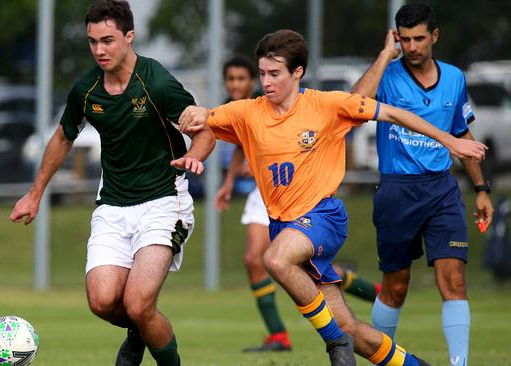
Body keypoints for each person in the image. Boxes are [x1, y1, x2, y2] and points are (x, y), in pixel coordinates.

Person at [178, 29, 486, 365]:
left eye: (275, 74)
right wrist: (196, 116)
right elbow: (207, 119)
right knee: (350, 327)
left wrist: (452, 142)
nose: (266, 82)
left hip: (323, 217)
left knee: (275, 260)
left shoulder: (327, 104)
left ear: (297, 72)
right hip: (284, 225)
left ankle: (334, 344)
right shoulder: (247, 111)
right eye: (263, 73)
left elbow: (395, 114)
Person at [9, 1, 215, 366]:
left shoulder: (156, 82)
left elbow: (206, 130)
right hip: (113, 205)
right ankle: (140, 327)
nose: (99, 50)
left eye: (107, 40)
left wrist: (195, 153)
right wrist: (35, 192)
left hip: (164, 200)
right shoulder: (86, 90)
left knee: (138, 302)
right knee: (102, 301)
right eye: (92, 42)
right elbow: (62, 137)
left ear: (129, 37)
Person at [351, 4, 494, 365]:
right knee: (396, 287)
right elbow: (354, 105)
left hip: (442, 190)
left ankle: (458, 363)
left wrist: (481, 190)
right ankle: (383, 356)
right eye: (404, 39)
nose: (412, 46)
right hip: (397, 191)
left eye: (418, 38)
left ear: (434, 36)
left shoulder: (454, 78)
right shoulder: (387, 74)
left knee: (454, 281)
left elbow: (462, 134)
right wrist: (385, 56)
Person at [215, 56, 381, 353]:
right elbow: (242, 147)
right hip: (265, 196)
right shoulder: (237, 109)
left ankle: (363, 300)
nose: (236, 84)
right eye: (231, 79)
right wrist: (228, 183)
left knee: (279, 260)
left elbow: (355, 107)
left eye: (242, 79)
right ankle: (280, 333)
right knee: (263, 259)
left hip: (298, 195)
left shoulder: (272, 102)